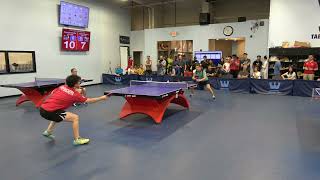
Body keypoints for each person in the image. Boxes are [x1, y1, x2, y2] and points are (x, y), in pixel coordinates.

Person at [40, 75, 108, 146]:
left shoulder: (62, 87)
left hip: (43, 108)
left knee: (59, 114)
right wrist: (101, 98)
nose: (80, 83)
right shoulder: (75, 95)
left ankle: (48, 131)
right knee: (75, 118)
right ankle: (77, 139)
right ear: (75, 84)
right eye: (79, 82)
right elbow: (89, 100)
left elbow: (53, 93)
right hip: (50, 112)